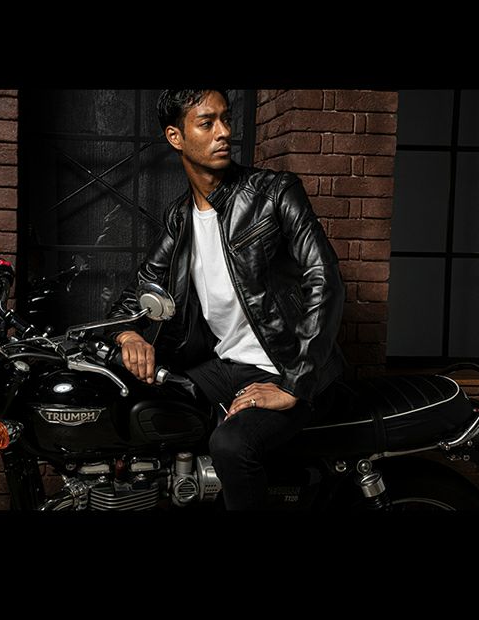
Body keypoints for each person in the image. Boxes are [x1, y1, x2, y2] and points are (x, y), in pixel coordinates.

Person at [107, 89, 346, 510]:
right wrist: (128, 334)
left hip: (292, 365)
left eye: (226, 119)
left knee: (232, 445)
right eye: (207, 123)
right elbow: (137, 293)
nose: (224, 133)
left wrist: (294, 384)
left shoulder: (273, 193)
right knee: (146, 410)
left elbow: (324, 279)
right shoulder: (181, 218)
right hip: (229, 364)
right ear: (175, 137)